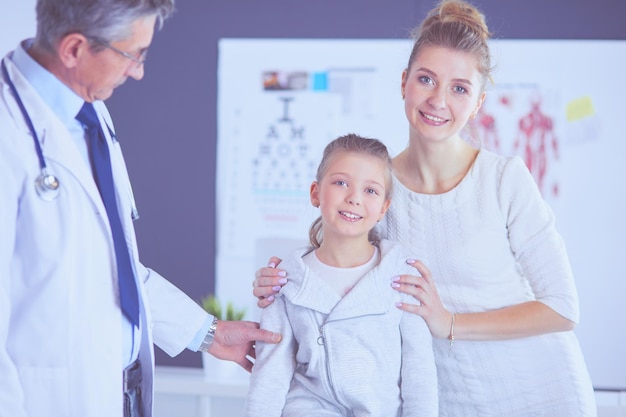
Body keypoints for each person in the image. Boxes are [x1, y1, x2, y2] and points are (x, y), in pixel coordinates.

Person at [252, 1, 597, 416]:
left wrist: (449, 323)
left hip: (540, 391)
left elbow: (563, 307)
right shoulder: (379, 190)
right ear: (404, 83)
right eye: (426, 80)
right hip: (443, 399)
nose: (438, 100)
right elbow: (341, 263)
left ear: (479, 102)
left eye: (459, 88)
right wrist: (283, 281)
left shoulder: (505, 179)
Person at [0, 1, 280, 416]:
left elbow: (112, 269)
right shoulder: (10, 133)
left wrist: (208, 333)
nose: (138, 71)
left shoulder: (91, 115)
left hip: (118, 393)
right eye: (133, 55)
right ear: (75, 49)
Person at [245, 134, 437, 417]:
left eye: (370, 190)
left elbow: (419, 372)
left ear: (384, 207)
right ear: (315, 193)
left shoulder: (401, 277)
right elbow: (270, 372)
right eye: (341, 183)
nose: (354, 198)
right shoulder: (285, 281)